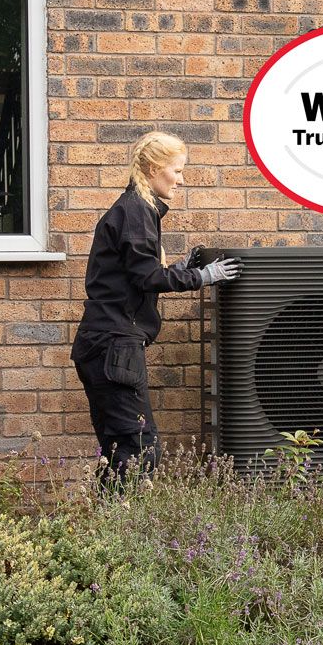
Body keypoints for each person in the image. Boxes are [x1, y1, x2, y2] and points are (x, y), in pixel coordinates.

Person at [71, 131, 240, 482]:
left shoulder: (134, 209)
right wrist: (203, 276)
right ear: (152, 168)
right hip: (114, 346)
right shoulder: (136, 211)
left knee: (118, 451)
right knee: (139, 450)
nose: (181, 180)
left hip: (103, 344)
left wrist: (180, 270)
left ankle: (110, 530)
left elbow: (134, 277)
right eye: (176, 171)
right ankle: (119, 531)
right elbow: (147, 277)